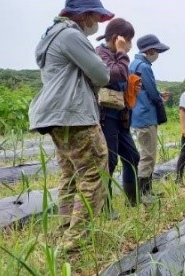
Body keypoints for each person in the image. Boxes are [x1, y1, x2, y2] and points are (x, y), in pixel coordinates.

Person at [28, 0, 114, 251]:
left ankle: (64, 230)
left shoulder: (50, 35)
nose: (97, 24)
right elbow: (102, 74)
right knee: (94, 173)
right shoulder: (70, 35)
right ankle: (76, 241)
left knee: (70, 174)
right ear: (85, 15)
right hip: (74, 113)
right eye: (96, 18)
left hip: (56, 114)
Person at [95, 18, 141, 212]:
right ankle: (105, 207)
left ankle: (133, 200)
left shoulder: (115, 55)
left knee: (132, 155)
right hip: (106, 116)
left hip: (121, 117)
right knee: (109, 161)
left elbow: (123, 81)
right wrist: (122, 52)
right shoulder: (101, 54)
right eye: (128, 40)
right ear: (117, 38)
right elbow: (115, 74)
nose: (130, 45)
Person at [129, 34, 170, 199]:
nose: (158, 55)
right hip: (146, 117)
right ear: (150, 50)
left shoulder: (134, 64)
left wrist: (158, 94)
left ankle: (147, 190)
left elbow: (143, 90)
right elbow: (152, 92)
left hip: (138, 115)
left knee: (147, 154)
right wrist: (160, 97)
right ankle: (144, 193)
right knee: (148, 155)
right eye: (157, 51)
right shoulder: (144, 67)